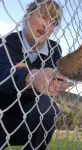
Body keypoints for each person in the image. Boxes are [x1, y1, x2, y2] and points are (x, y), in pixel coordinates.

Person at [0, 0, 71, 149]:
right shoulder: (6, 43)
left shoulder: (54, 49)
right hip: (3, 115)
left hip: (27, 118)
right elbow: (3, 77)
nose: (47, 25)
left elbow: (49, 87)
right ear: (27, 16)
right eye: (43, 16)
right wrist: (29, 76)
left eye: (53, 23)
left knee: (48, 107)